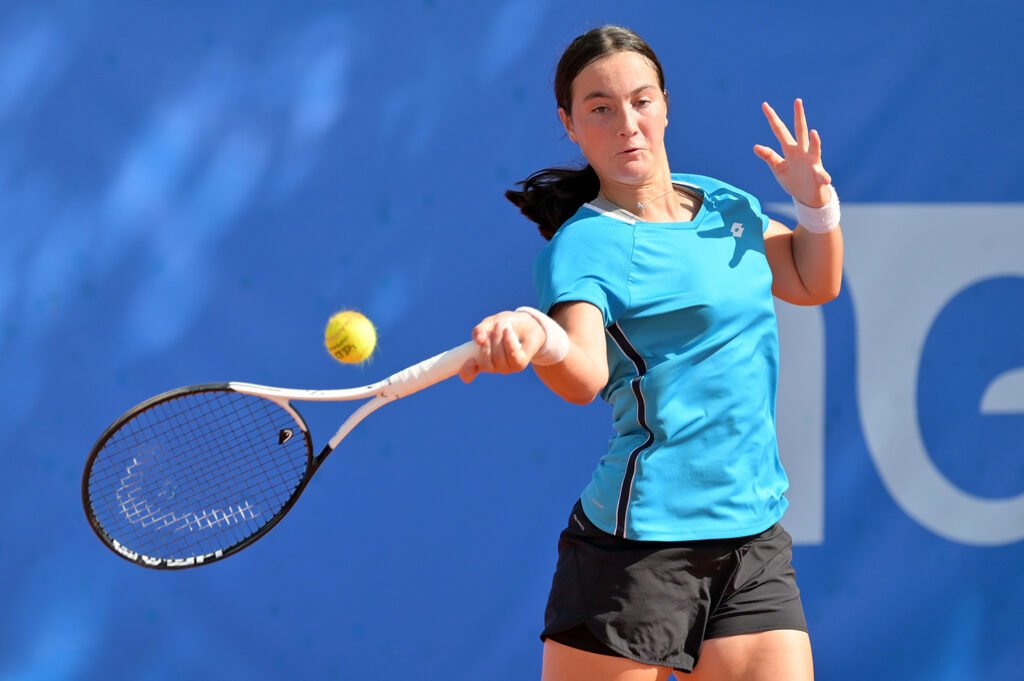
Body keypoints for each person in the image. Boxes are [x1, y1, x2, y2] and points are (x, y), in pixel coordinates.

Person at [458, 25, 842, 681]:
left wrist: (816, 204)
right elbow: (582, 372)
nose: (626, 123)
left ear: (665, 104)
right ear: (570, 125)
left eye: (640, 101)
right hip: (635, 550)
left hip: (752, 538)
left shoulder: (726, 205)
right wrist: (542, 335)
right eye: (600, 108)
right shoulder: (584, 247)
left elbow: (812, 281)